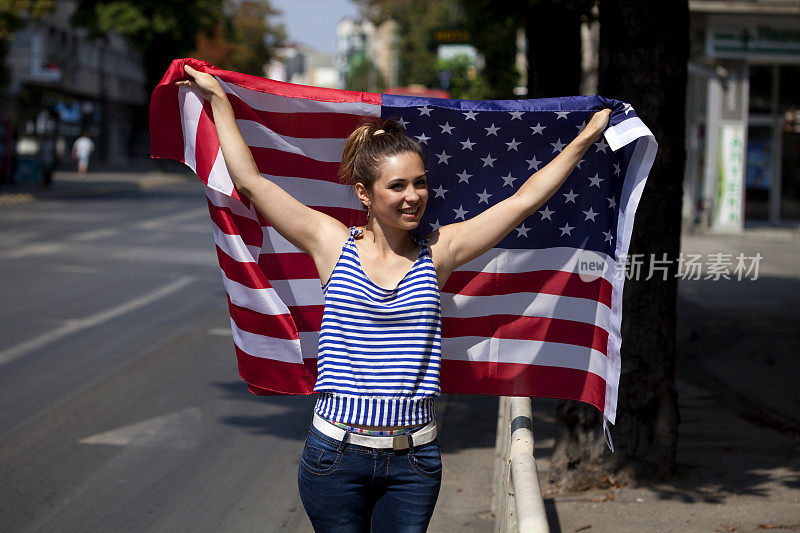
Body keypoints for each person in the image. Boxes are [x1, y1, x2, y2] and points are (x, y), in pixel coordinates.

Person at [179, 64, 610, 532]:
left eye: (420, 182)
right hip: (334, 459)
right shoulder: (330, 242)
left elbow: (524, 200)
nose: (413, 196)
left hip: (414, 464)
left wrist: (586, 138)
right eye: (398, 186)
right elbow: (251, 183)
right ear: (364, 193)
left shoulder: (439, 251)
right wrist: (220, 102)